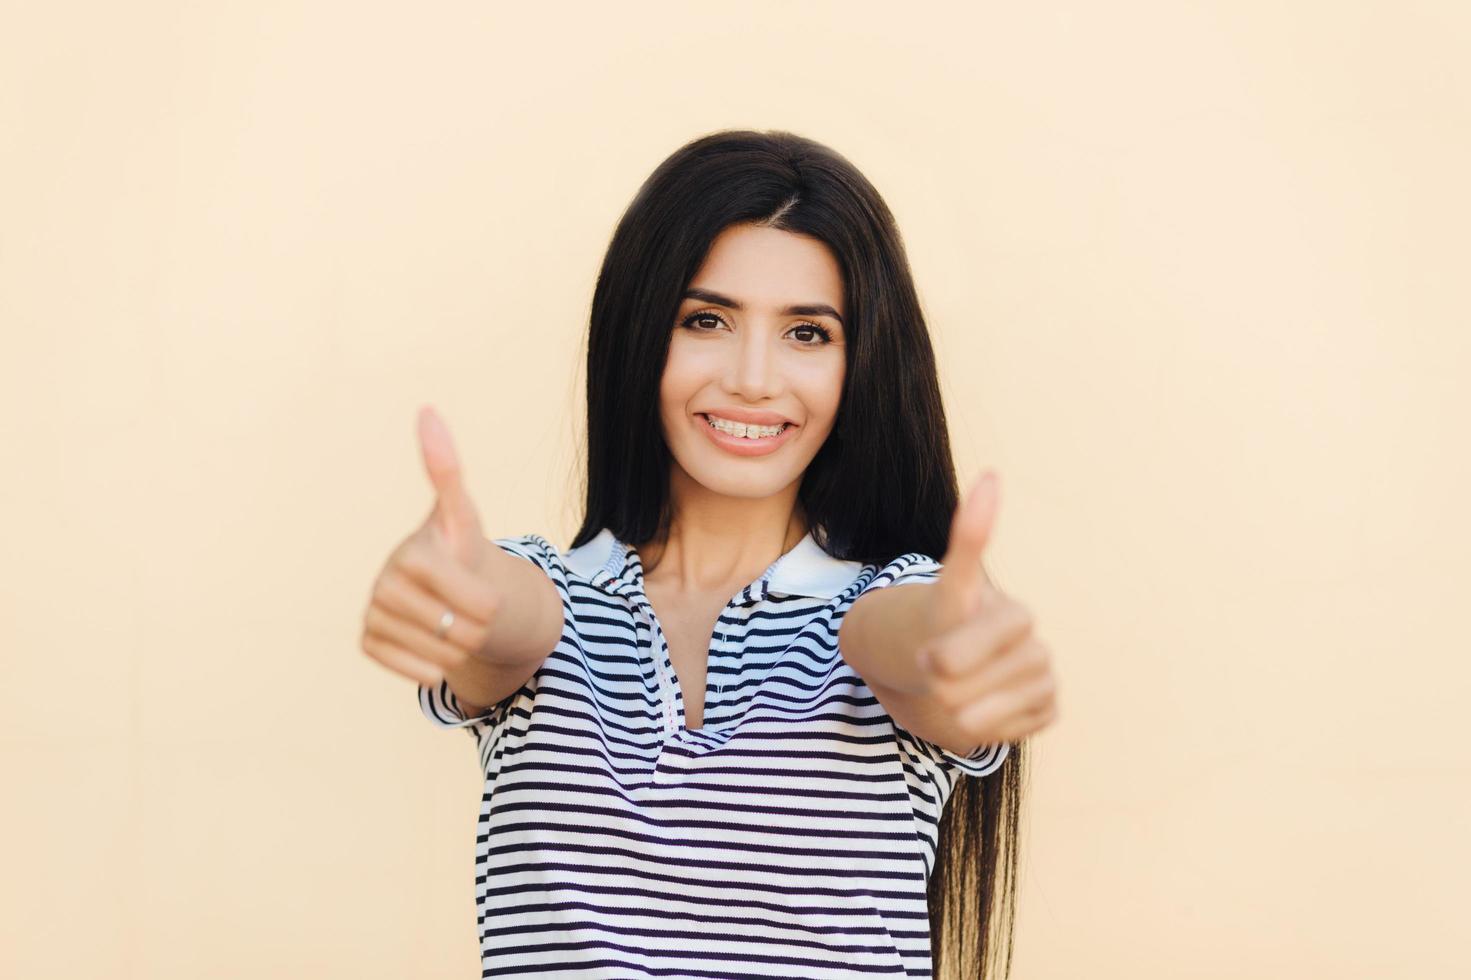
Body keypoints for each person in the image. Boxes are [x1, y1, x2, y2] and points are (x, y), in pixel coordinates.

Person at [361, 129, 1059, 980]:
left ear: (862, 364)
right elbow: (502, 619)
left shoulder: (885, 609)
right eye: (706, 321)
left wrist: (957, 643)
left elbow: (906, 644)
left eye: (807, 334)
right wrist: (448, 588)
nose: (754, 378)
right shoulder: (551, 600)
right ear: (637, 333)